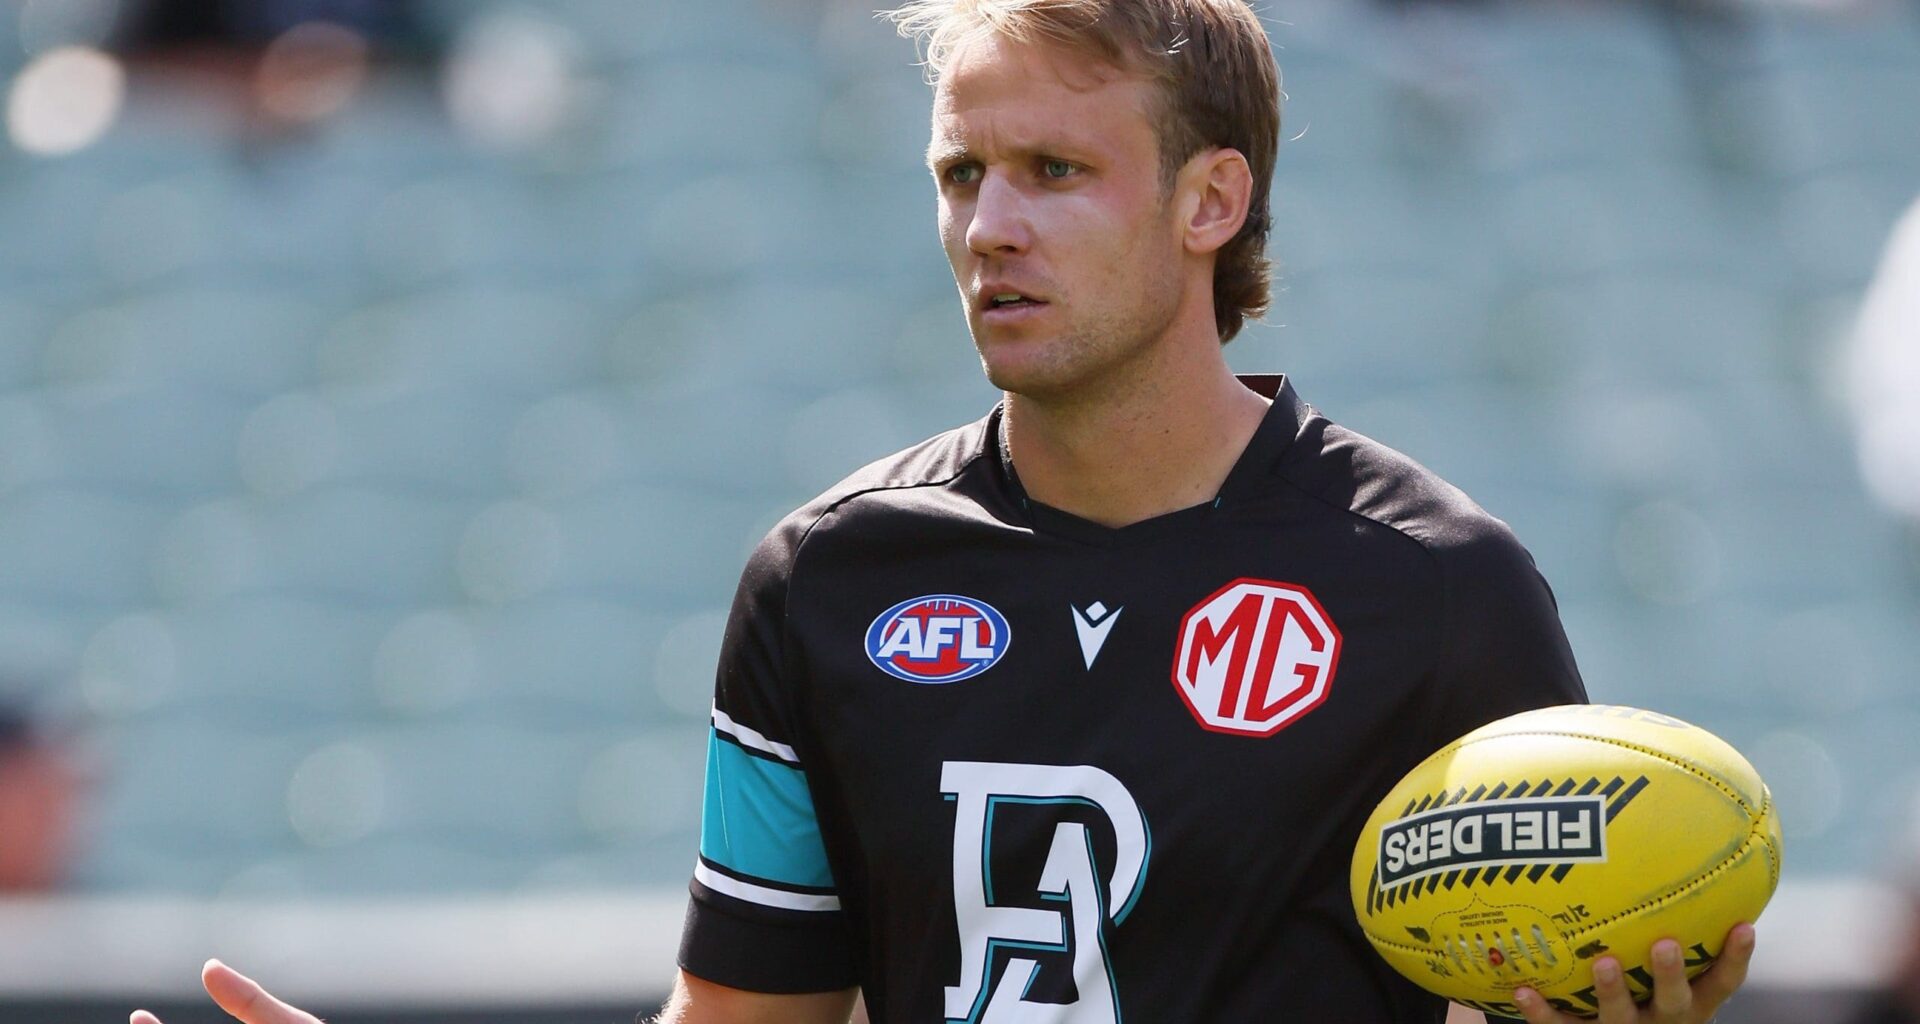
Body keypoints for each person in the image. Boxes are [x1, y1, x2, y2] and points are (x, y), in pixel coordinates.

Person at [130, 1, 1758, 1022]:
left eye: (1055, 170)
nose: (992, 225)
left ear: (1213, 200)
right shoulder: (826, 580)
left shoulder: (1438, 588)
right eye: (961, 175)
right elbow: (744, 1021)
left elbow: (1535, 976)